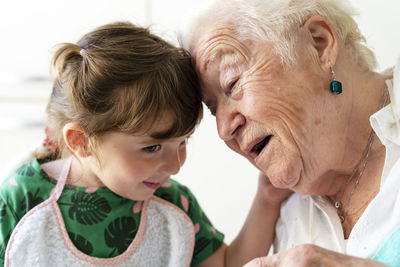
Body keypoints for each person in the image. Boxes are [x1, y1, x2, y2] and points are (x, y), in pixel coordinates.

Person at [0, 22, 290, 267]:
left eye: (183, 142)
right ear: (82, 141)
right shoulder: (22, 201)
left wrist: (267, 199)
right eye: (152, 148)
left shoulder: (175, 206)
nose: (176, 165)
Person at [185, 0, 400, 266]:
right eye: (213, 108)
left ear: (318, 44)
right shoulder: (285, 217)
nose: (224, 128)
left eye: (232, 81)